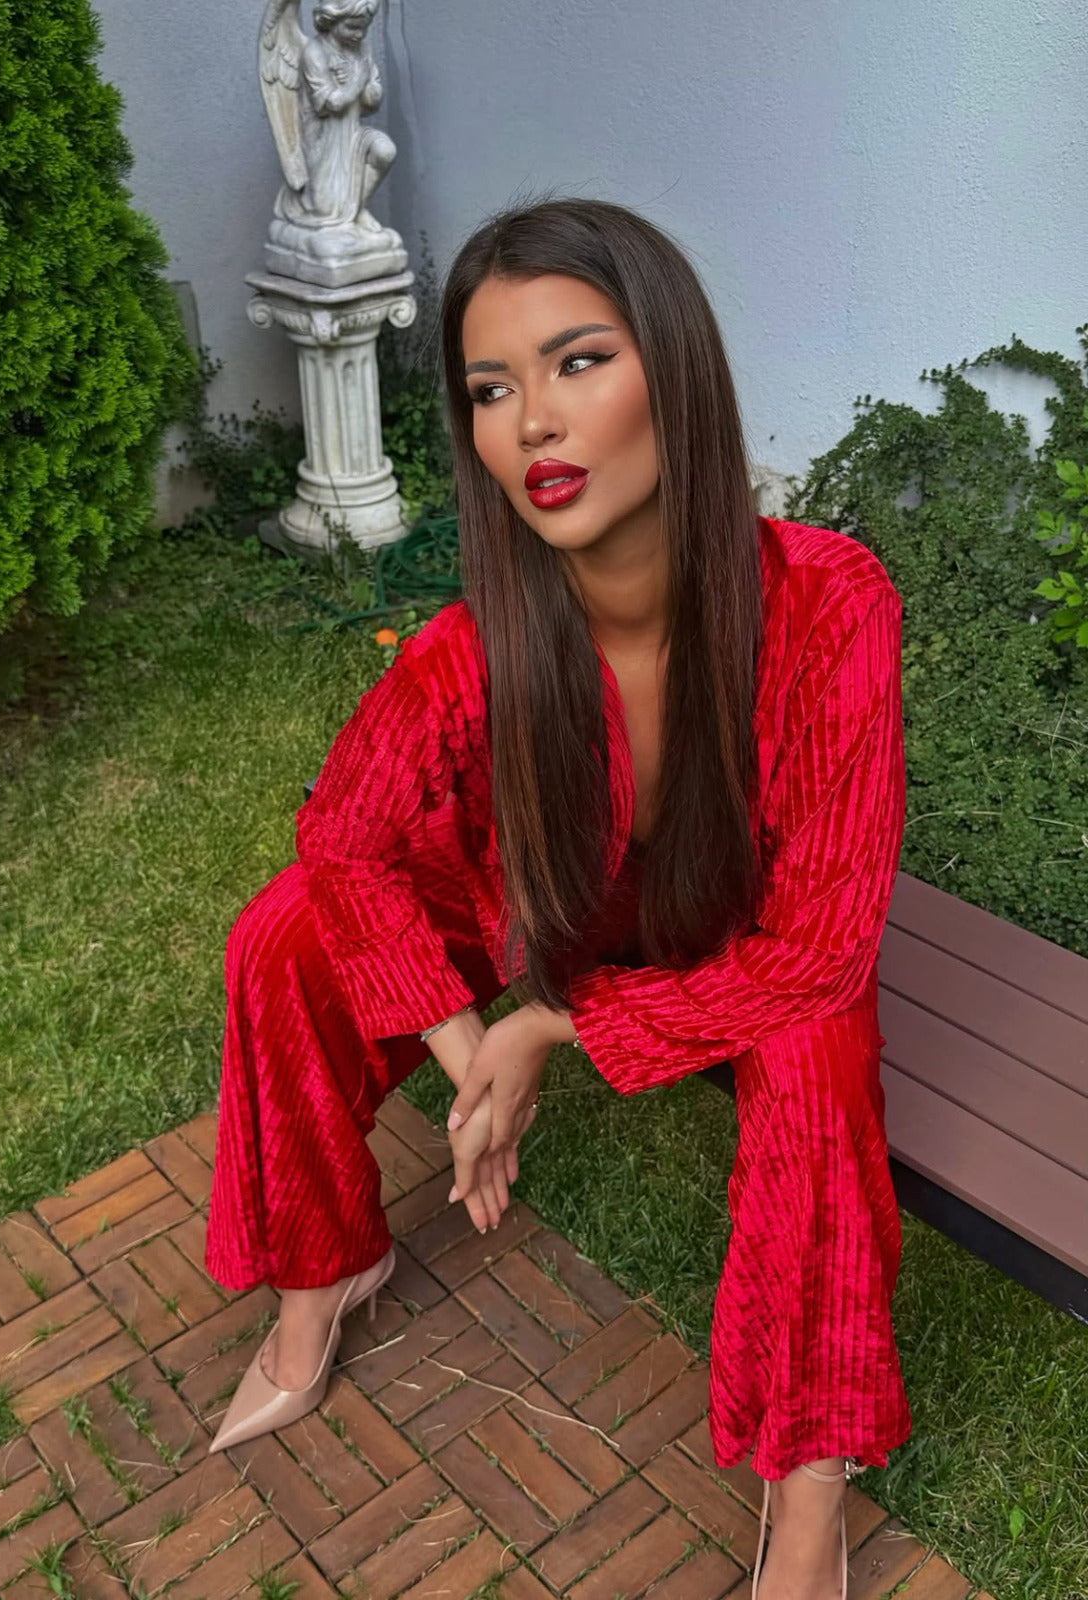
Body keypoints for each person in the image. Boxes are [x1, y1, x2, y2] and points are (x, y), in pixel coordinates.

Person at [203, 195, 912, 1600]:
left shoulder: (828, 601)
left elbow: (823, 948)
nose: (532, 419)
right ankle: (322, 1268)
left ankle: (811, 1466)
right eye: (490, 388)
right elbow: (342, 833)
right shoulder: (484, 641)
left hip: (742, 937)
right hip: (548, 909)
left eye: (578, 361)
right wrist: (466, 1042)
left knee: (819, 1060)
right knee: (282, 932)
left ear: (674, 371)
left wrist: (547, 1034)